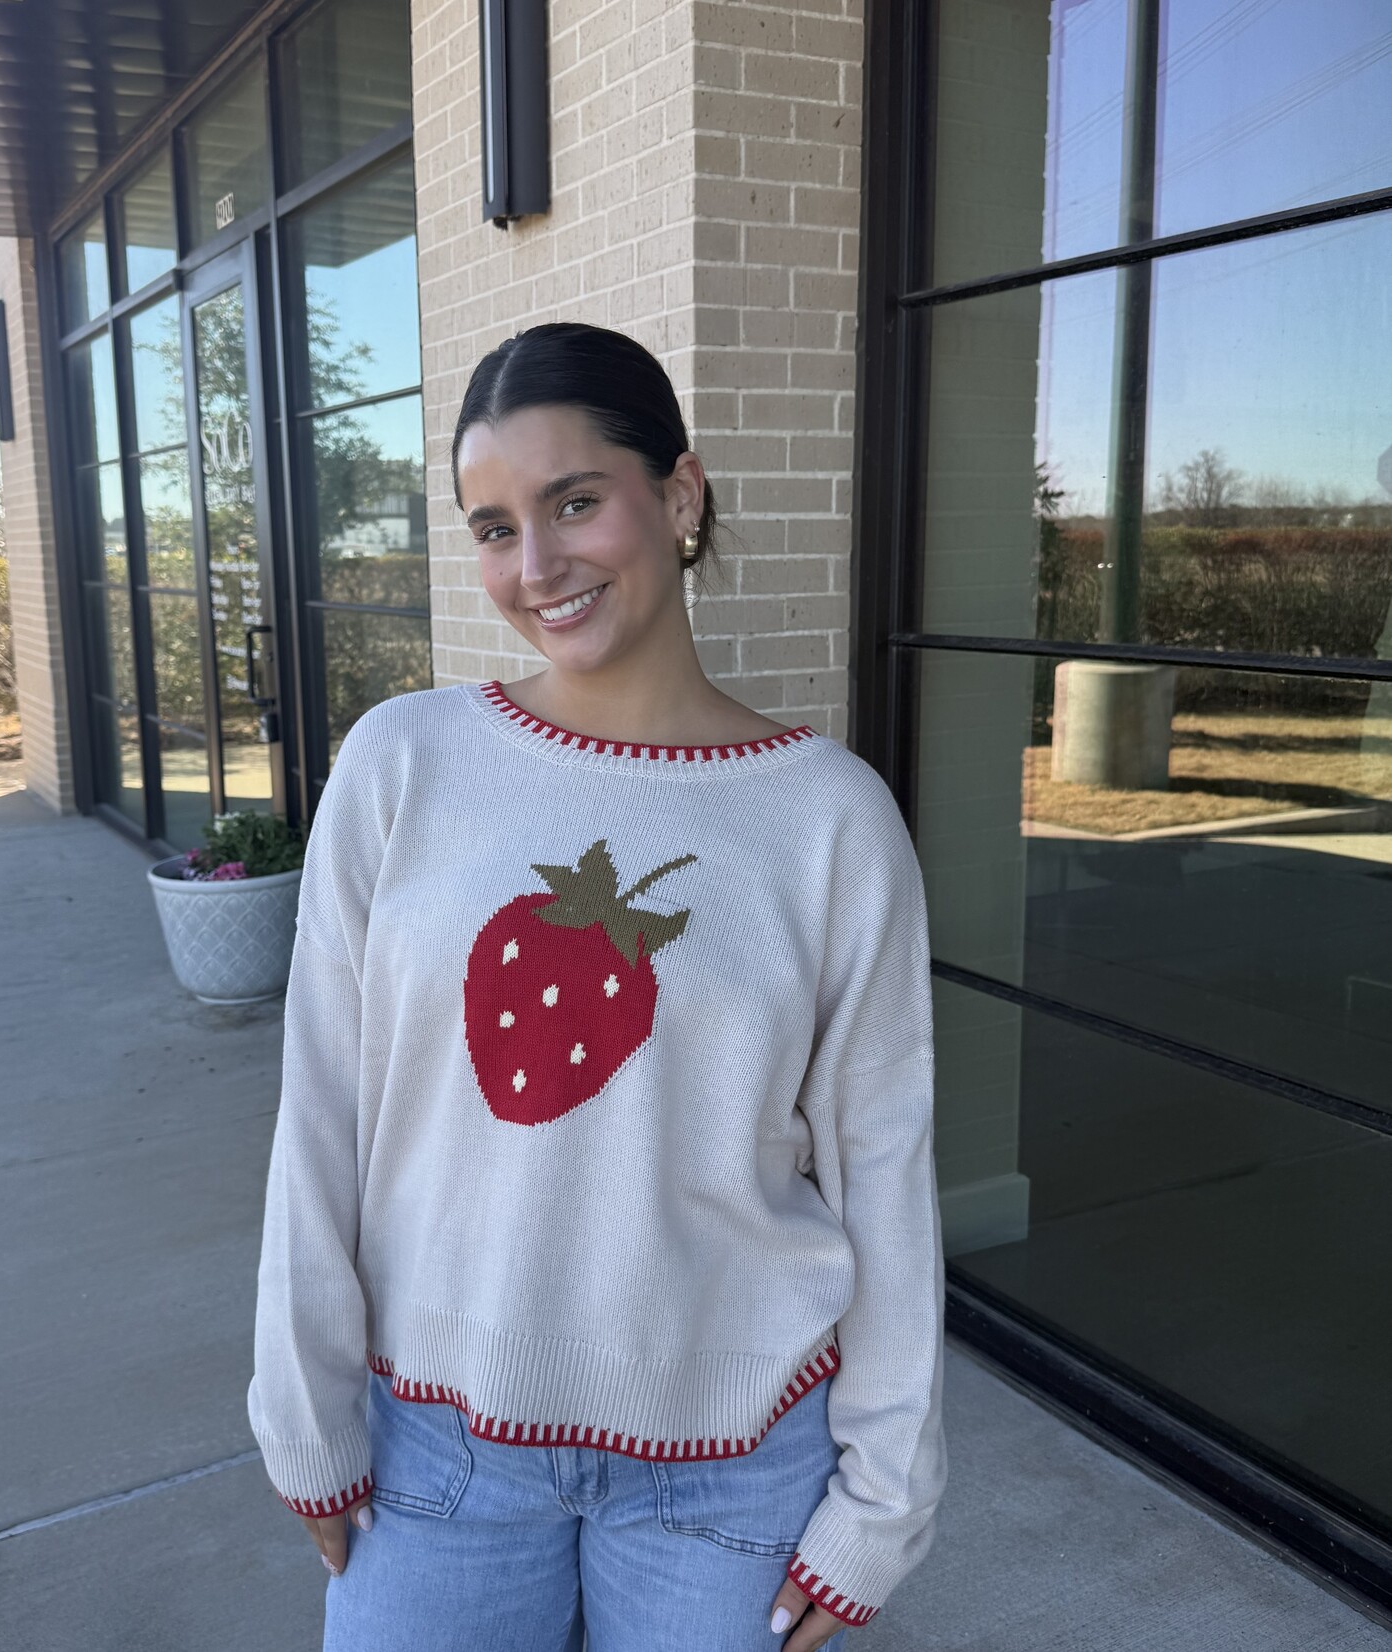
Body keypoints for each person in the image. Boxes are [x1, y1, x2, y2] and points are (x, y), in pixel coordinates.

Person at [249, 321, 945, 1652]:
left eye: (576, 502)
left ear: (679, 496)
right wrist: (305, 1402)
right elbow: (322, 1111)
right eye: (494, 526)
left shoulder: (828, 820)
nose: (538, 566)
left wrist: (884, 1497)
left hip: (733, 1467)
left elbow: (883, 1165)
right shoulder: (401, 766)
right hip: (435, 1456)